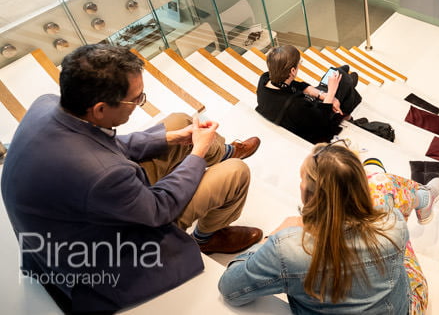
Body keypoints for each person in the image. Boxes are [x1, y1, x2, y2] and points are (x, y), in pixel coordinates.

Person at [1, 44, 263, 313]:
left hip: (69, 216)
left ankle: (224, 150)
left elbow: (102, 142)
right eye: (136, 99)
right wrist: (197, 152)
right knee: (235, 172)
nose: (139, 104)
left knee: (179, 121)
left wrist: (171, 138)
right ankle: (206, 237)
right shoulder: (103, 175)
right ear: (100, 109)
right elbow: (159, 208)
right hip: (97, 254)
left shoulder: (46, 105)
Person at [218, 141, 439, 314]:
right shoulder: (393, 221)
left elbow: (230, 288)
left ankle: (421, 196)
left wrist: (271, 237)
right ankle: (423, 197)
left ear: (309, 195)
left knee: (381, 184)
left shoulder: (287, 249)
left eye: (302, 180)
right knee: (382, 183)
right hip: (406, 308)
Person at [256, 45, 362, 144]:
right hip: (315, 123)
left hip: (303, 112)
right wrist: (331, 93)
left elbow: (295, 84)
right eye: (299, 63)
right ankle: (347, 111)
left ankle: (346, 82)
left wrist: (321, 94)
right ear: (293, 70)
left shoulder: (265, 80)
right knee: (341, 80)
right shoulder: (295, 105)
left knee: (336, 74)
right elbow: (321, 122)